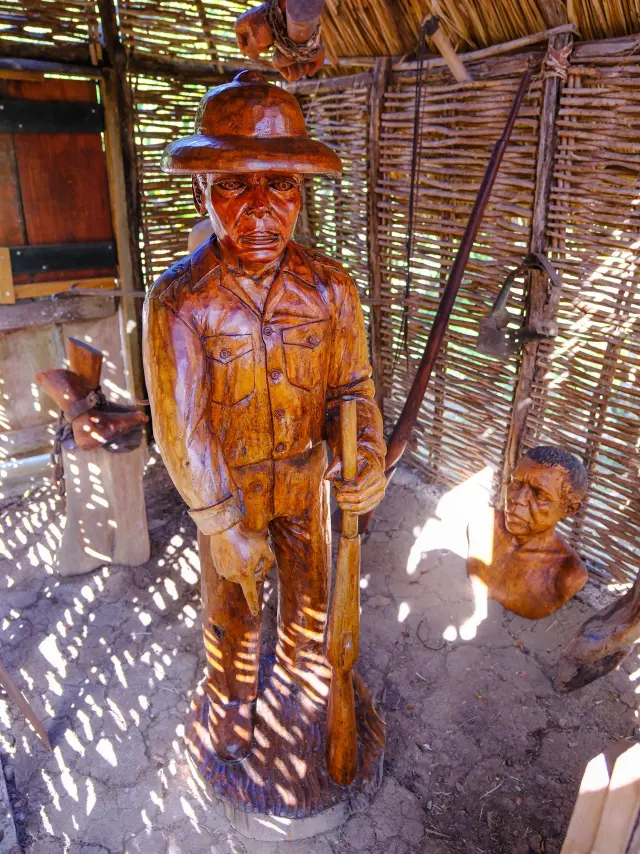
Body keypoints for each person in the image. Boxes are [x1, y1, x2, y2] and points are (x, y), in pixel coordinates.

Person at [142, 71, 386, 762]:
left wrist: (364, 457)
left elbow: (354, 387)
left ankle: (303, 696)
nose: (259, 211)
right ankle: (231, 704)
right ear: (202, 192)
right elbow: (180, 429)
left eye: (280, 186)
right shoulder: (180, 301)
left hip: (305, 484)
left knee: (310, 607)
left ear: (301, 193)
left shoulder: (331, 288)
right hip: (231, 488)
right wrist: (219, 523)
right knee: (233, 612)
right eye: (234, 187)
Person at [467, 446, 588, 620]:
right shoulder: (483, 524)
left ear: (569, 509)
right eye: (516, 484)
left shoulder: (569, 574)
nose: (517, 500)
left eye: (540, 495)